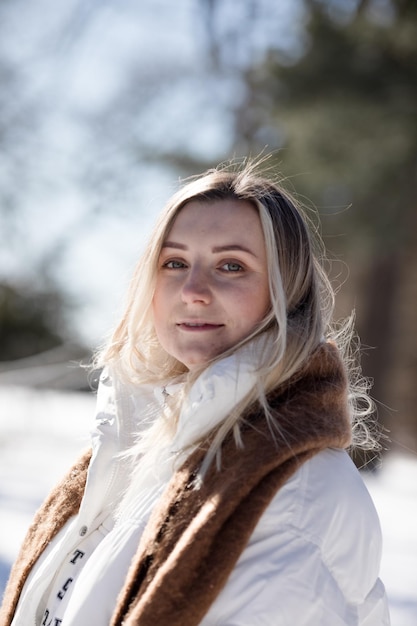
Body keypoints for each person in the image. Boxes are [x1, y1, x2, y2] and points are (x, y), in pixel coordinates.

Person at [1, 161, 390, 625]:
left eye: (231, 265)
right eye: (175, 262)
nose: (193, 289)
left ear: (285, 294)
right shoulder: (131, 446)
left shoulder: (293, 492)